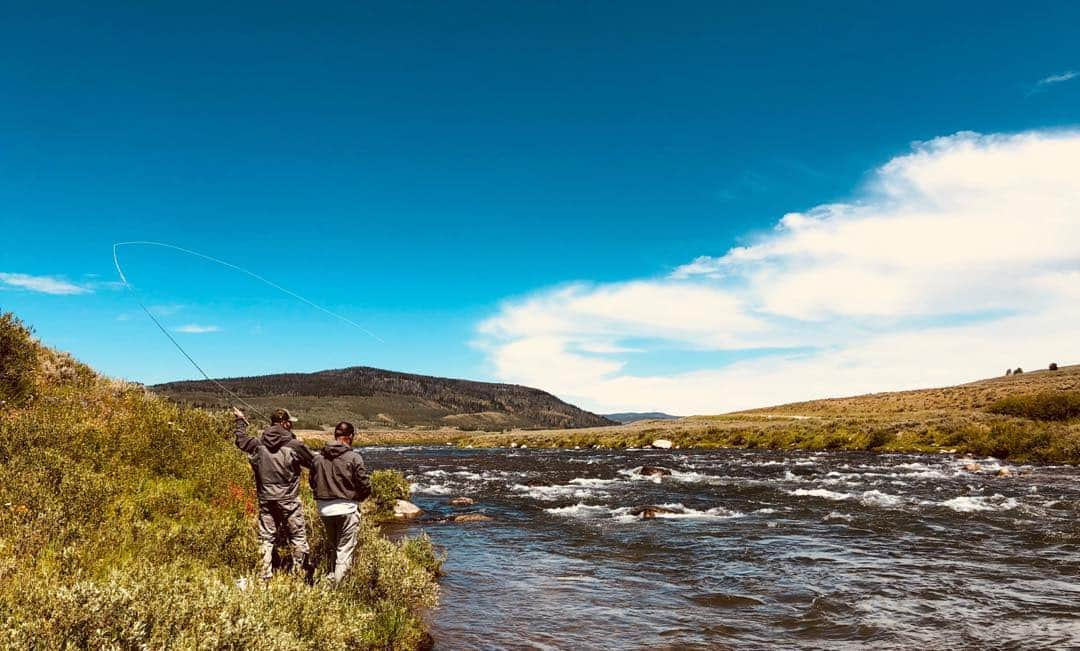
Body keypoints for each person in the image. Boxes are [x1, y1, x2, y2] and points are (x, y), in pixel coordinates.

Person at [233, 406, 313, 580]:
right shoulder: (294, 445)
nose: (291, 425)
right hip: (289, 500)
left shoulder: (258, 443)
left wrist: (240, 420)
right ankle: (299, 576)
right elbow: (314, 463)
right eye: (290, 423)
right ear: (285, 423)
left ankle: (264, 576)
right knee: (298, 537)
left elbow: (241, 440)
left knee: (265, 538)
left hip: (266, 499)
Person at [309, 421, 371, 584]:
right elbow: (364, 484)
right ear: (350, 437)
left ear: (335, 436)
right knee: (344, 551)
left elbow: (312, 483)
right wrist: (359, 498)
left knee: (334, 546)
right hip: (347, 508)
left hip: (324, 510)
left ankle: (330, 578)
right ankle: (338, 590)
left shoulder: (317, 458)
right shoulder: (354, 457)